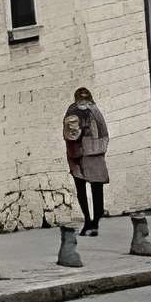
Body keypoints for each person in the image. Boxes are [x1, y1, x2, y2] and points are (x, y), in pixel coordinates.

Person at [62, 86, 110, 234]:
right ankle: (89, 221)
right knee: (84, 189)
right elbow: (67, 134)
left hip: (90, 154)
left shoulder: (93, 111)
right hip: (79, 155)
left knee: (95, 188)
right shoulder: (75, 111)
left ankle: (94, 222)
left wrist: (98, 148)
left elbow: (103, 133)